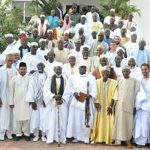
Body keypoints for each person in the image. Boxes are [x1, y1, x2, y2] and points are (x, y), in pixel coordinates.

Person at [63, 61, 97, 144]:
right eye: (81, 67)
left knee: (85, 119)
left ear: (86, 68)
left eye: (84, 67)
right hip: (76, 101)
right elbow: (69, 88)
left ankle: (86, 137)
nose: (83, 69)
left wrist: (91, 95)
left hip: (86, 101)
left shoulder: (91, 77)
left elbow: (94, 89)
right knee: (75, 119)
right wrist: (73, 93)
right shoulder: (72, 77)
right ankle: (76, 136)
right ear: (78, 68)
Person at [112, 66, 140, 148]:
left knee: (128, 123)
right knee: (119, 123)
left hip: (130, 106)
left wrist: (135, 106)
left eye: (127, 71)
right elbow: (116, 93)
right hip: (119, 106)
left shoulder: (135, 81)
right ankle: (118, 141)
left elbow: (136, 95)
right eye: (123, 71)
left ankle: (128, 141)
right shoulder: (119, 80)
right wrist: (114, 105)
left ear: (129, 72)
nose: (125, 73)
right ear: (122, 72)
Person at [91, 66, 118, 145]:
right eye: (103, 72)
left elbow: (115, 95)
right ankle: (98, 138)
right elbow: (94, 93)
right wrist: (96, 102)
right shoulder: (97, 82)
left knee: (110, 122)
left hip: (109, 107)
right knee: (98, 122)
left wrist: (111, 106)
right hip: (100, 106)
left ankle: (109, 139)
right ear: (101, 73)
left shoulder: (114, 82)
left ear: (109, 73)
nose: (105, 74)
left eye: (107, 72)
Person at [43, 65, 67, 144]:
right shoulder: (49, 79)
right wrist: (53, 96)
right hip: (52, 103)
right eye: (57, 69)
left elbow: (68, 91)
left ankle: (61, 138)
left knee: (62, 120)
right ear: (54, 70)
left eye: (60, 69)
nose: (58, 71)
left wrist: (62, 100)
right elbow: (45, 90)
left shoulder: (65, 79)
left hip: (62, 104)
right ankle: (51, 137)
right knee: (51, 120)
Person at [26, 62, 47, 142]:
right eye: (39, 65)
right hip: (35, 101)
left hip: (44, 101)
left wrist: (46, 100)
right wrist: (32, 101)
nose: (40, 66)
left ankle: (43, 135)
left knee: (44, 118)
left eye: (42, 65)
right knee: (36, 119)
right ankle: (36, 135)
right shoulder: (33, 76)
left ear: (44, 66)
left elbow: (48, 89)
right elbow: (30, 89)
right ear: (37, 66)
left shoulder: (47, 76)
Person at [10, 62, 30, 141]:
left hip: (26, 101)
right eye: (21, 69)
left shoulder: (29, 78)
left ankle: (26, 133)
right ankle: (18, 133)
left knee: (26, 117)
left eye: (24, 69)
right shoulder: (14, 79)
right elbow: (11, 91)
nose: (22, 70)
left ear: (26, 70)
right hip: (16, 101)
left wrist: (31, 100)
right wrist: (11, 102)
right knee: (17, 117)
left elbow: (31, 90)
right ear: (18, 70)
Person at [0, 54, 17, 141]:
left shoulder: (14, 70)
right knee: (3, 113)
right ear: (6, 61)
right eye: (8, 61)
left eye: (11, 61)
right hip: (3, 94)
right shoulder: (1, 70)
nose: (10, 62)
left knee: (11, 114)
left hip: (12, 95)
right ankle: (1, 133)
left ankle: (9, 132)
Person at [134, 63, 150, 147]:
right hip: (140, 105)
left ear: (149, 70)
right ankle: (140, 142)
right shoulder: (139, 79)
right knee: (139, 123)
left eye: (145, 69)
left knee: (147, 123)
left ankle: (148, 141)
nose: (144, 71)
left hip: (148, 105)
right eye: (142, 69)